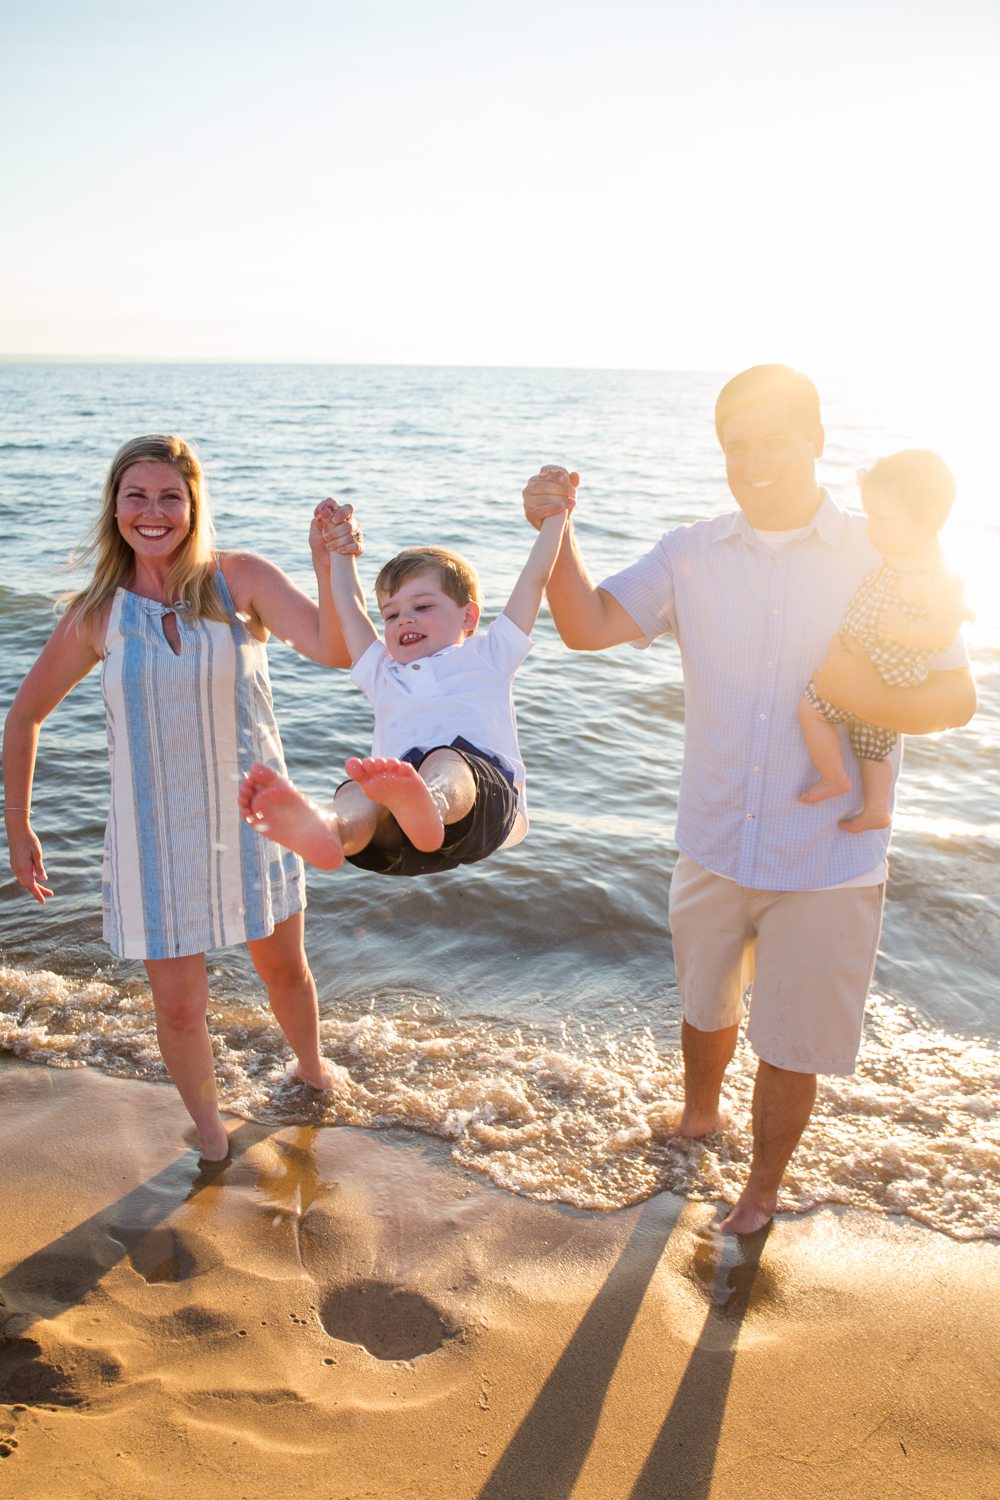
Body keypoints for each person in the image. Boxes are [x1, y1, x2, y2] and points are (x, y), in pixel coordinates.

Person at [521, 365, 976, 1234]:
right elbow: (583, 627)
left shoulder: (886, 550)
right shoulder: (689, 551)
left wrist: (845, 697)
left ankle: (760, 1192)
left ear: (816, 440)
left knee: (793, 1044)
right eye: (737, 444)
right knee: (704, 1008)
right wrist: (556, 528)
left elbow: (954, 701)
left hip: (830, 855)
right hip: (715, 839)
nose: (755, 459)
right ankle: (699, 1119)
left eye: (774, 439)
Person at [3, 435, 358, 1161]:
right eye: (137, 495)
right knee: (179, 1005)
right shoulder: (96, 614)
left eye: (170, 496)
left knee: (283, 969)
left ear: (194, 507)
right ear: (115, 507)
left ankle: (315, 1075)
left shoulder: (241, 580)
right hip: (152, 834)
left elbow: (336, 647)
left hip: (256, 821)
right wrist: (18, 825)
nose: (153, 512)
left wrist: (331, 565)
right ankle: (209, 1134)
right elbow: (24, 715)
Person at [237, 500, 567, 875]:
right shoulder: (383, 671)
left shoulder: (489, 655)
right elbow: (350, 608)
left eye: (423, 606)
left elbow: (534, 578)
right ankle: (332, 829)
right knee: (358, 792)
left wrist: (556, 518)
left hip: (482, 810)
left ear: (469, 616)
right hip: (401, 834)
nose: (403, 619)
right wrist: (340, 551)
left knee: (446, 761)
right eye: (391, 614)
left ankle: (430, 801)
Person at [798, 449, 970, 832]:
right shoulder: (898, 557)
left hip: (887, 672)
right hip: (872, 666)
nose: (870, 527)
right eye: (870, 515)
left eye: (883, 519)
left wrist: (909, 632)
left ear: (925, 520)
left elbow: (944, 630)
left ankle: (835, 778)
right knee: (872, 744)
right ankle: (876, 808)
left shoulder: (931, 575)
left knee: (811, 712)